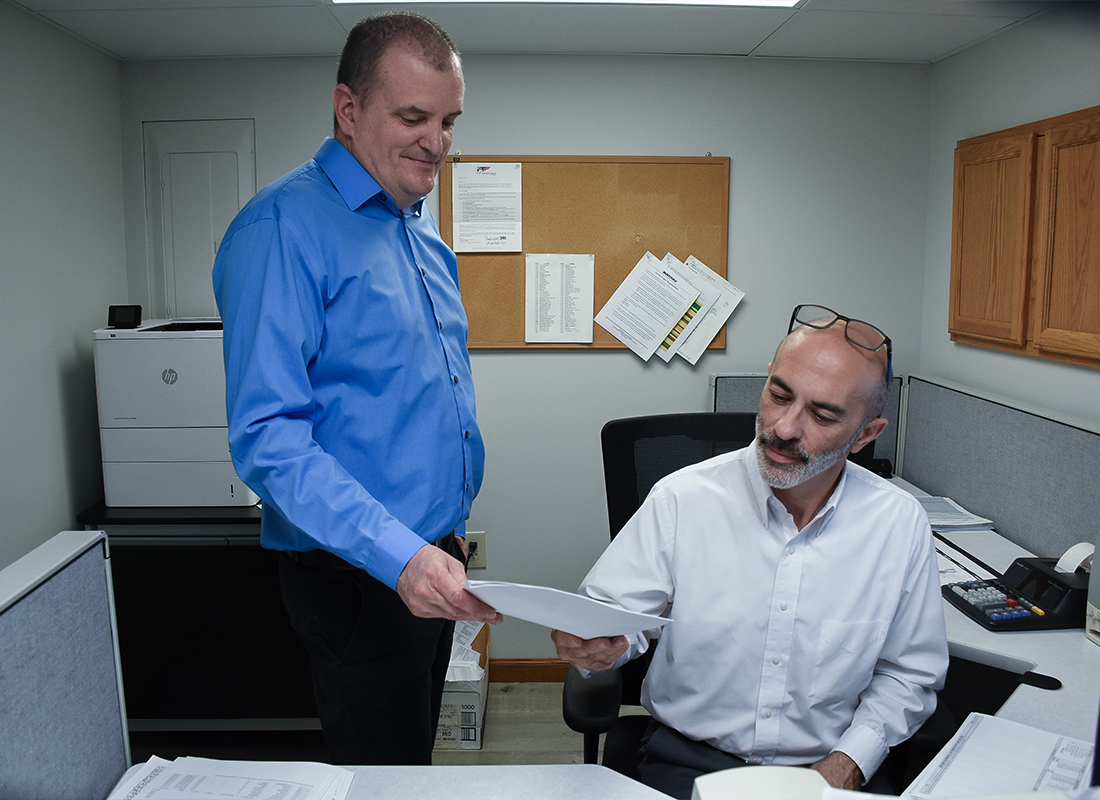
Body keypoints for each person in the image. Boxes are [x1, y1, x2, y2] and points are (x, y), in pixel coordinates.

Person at [212, 11, 501, 766]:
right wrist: (401, 555)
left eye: (448, 119)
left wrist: (439, 538)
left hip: (429, 558)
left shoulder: (417, 226)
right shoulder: (281, 229)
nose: (437, 141)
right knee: (379, 778)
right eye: (413, 117)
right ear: (349, 110)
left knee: (411, 761)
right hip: (360, 576)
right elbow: (269, 439)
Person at [552, 304, 949, 797]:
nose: (784, 428)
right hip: (691, 761)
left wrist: (848, 763)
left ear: (866, 434)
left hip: (833, 771)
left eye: (822, 415)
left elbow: (908, 674)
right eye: (779, 395)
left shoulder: (897, 523)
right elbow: (613, 617)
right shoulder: (683, 499)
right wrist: (600, 644)